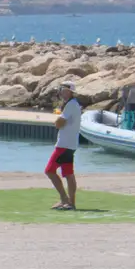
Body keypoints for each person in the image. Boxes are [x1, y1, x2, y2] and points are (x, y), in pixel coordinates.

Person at [46, 80, 81, 211]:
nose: (61, 92)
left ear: (69, 91)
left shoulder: (71, 105)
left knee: (49, 171)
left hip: (64, 144)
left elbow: (59, 123)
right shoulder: (72, 104)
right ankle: (70, 203)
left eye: (63, 89)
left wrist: (57, 121)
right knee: (68, 173)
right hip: (70, 144)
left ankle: (64, 199)